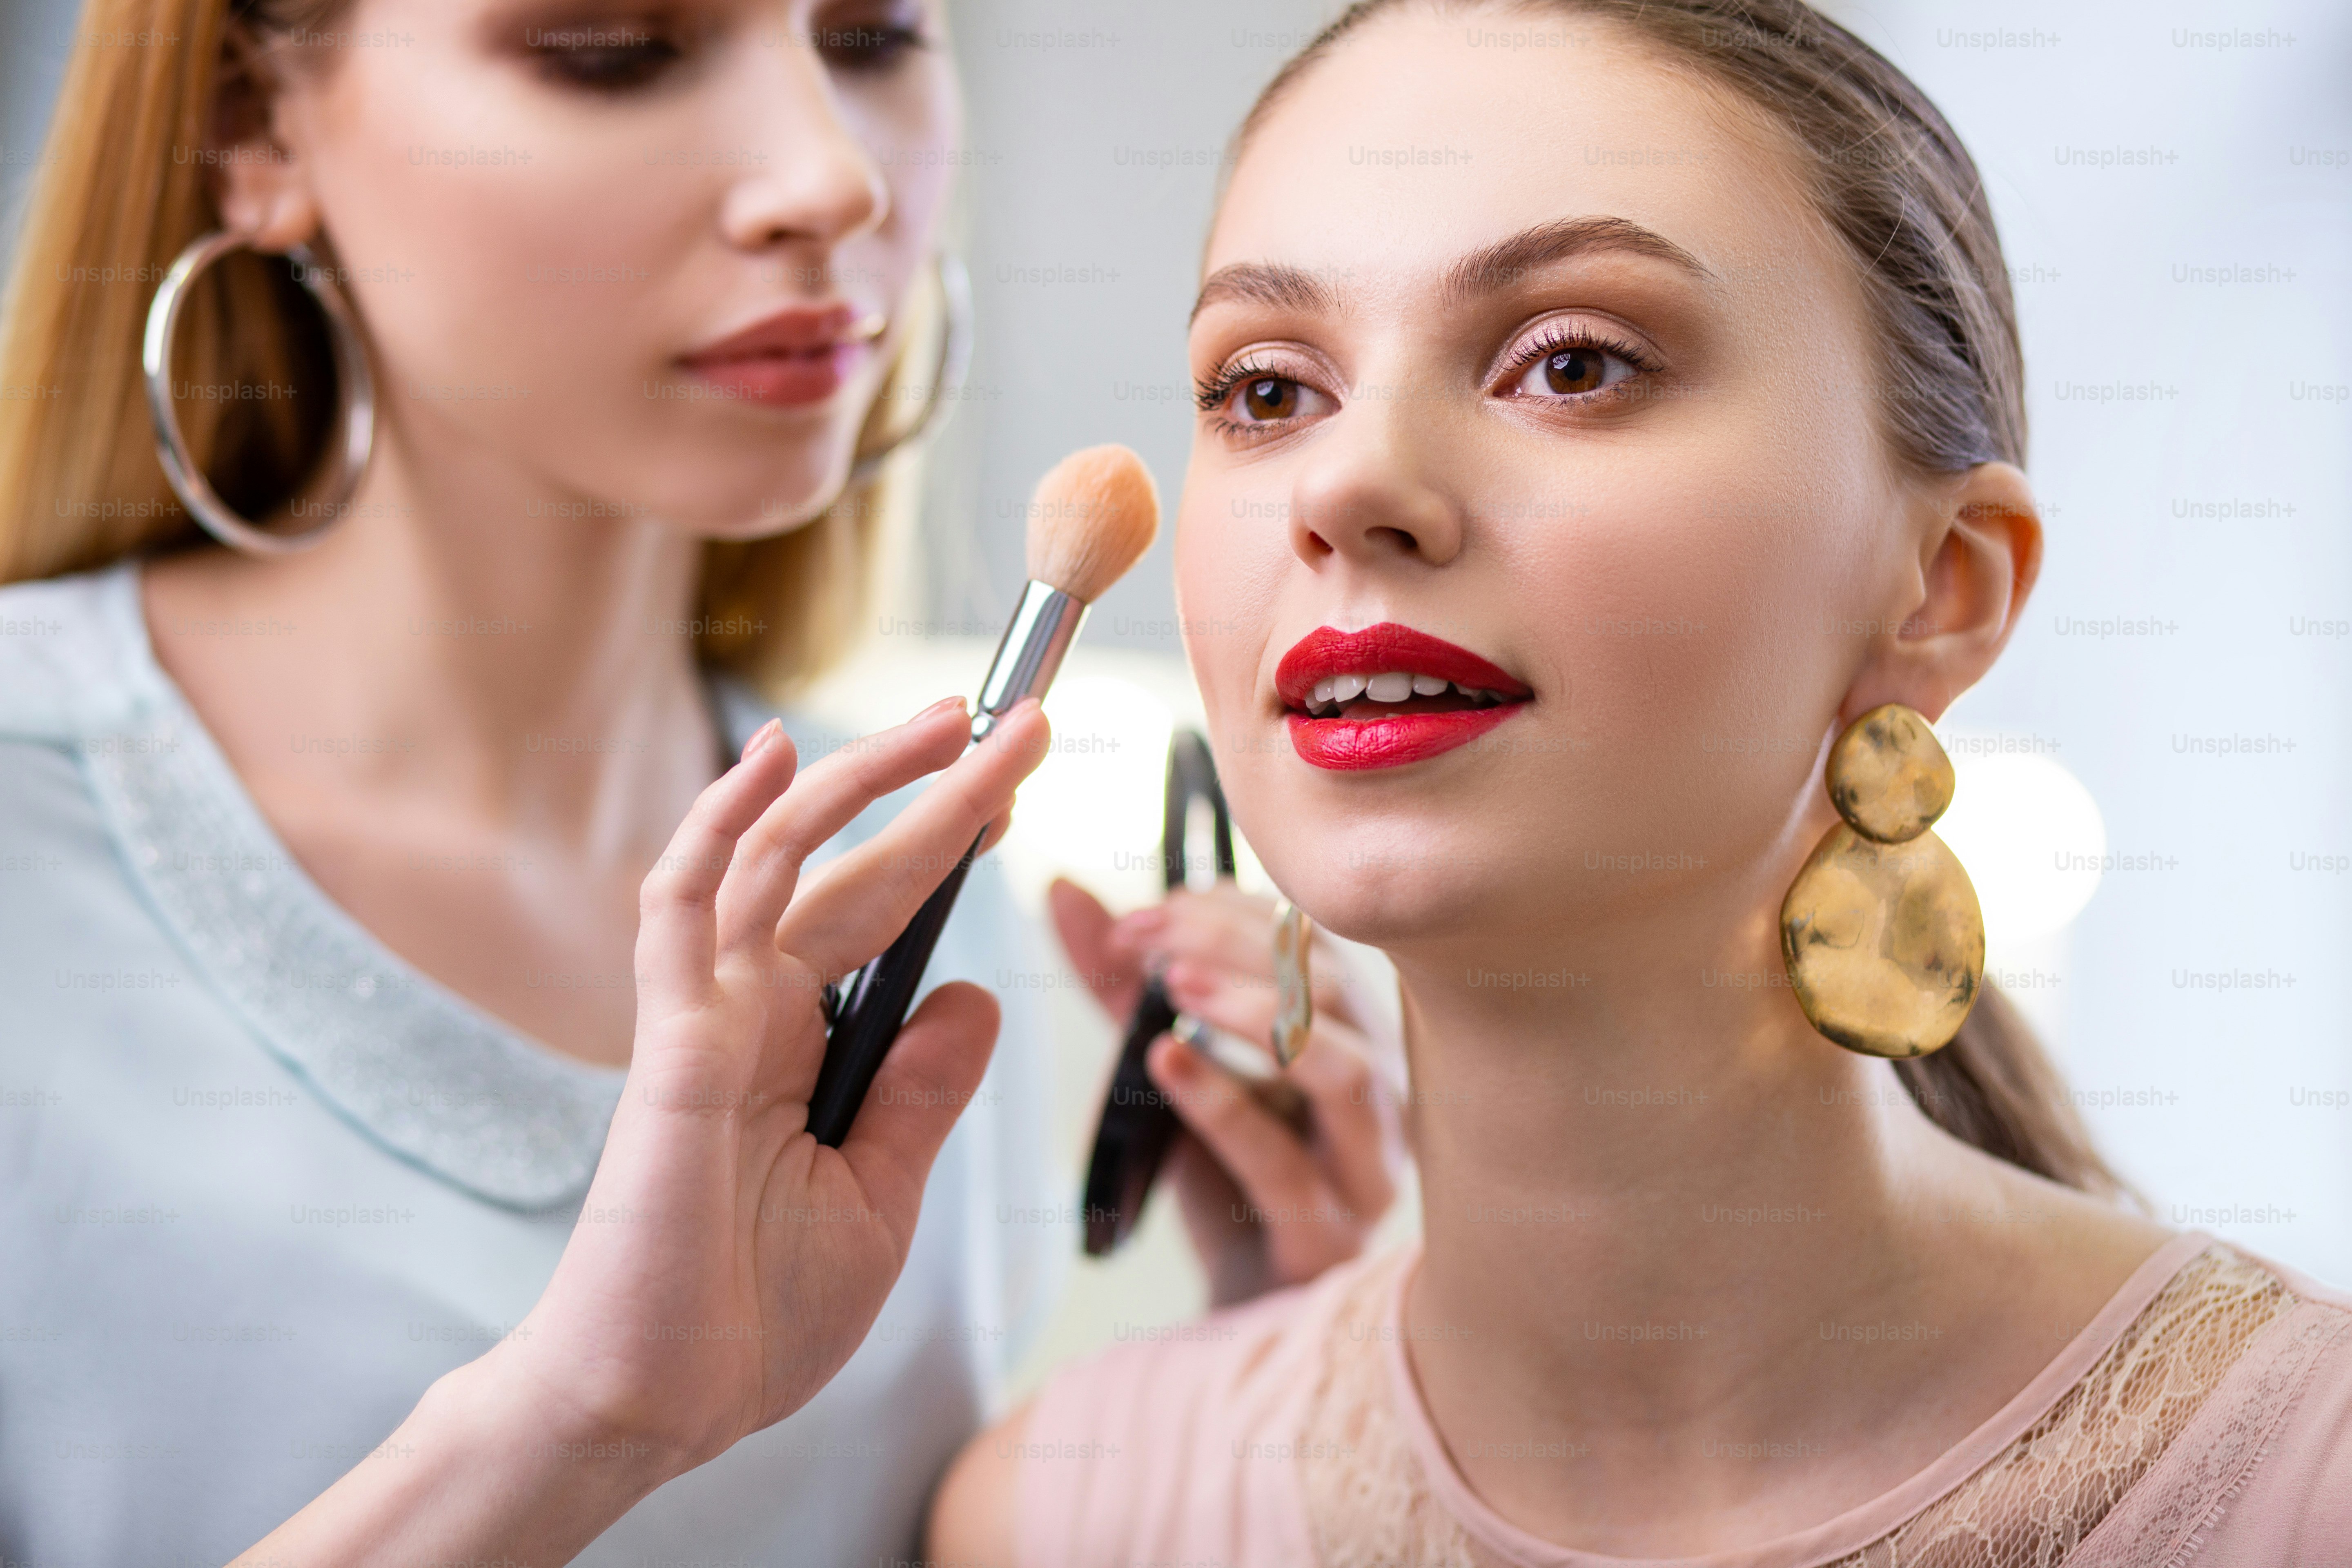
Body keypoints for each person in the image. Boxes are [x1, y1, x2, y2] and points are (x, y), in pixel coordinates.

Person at [929, 2, 2352, 1562]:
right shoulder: (1064, 1516)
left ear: (1941, 584)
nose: (1346, 486)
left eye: (1575, 363)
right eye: (1268, 391)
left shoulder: (2302, 1485)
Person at [0, 1, 1390, 1560]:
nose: (831, 178)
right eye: (612, 48)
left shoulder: (907, 888)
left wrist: (1262, 1371)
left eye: (871, 36)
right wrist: (584, 1419)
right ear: (256, 133)